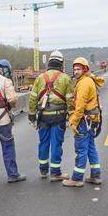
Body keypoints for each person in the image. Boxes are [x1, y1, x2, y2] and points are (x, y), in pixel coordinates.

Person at [28, 50, 74, 181]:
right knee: (56, 144)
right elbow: (70, 100)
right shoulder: (65, 78)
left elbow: (32, 99)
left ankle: (43, 170)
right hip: (58, 117)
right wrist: (71, 117)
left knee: (43, 143)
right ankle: (55, 172)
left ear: (49, 62)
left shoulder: (40, 78)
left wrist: (32, 116)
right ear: (61, 63)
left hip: (43, 117)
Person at [62, 57, 104, 187]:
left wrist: (73, 122)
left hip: (84, 121)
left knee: (81, 149)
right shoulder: (87, 80)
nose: (76, 71)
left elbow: (79, 106)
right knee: (91, 148)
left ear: (84, 69)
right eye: (74, 69)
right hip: (91, 120)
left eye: (78, 69)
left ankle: (77, 178)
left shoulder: (84, 83)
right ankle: (95, 175)